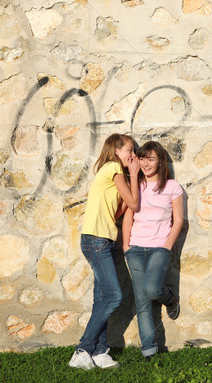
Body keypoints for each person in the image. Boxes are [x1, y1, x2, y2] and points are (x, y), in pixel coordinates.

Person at [69, 134, 140, 370]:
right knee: (113, 296)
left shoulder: (112, 175)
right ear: (116, 150)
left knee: (101, 298)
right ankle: (83, 349)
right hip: (96, 240)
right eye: (129, 150)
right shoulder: (113, 168)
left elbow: (119, 210)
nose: (132, 155)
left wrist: (130, 181)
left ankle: (99, 352)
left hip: (104, 240)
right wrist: (133, 174)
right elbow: (135, 204)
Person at [122, 141, 184, 361]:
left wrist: (167, 246)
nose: (146, 164)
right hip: (136, 248)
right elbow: (128, 216)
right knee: (142, 301)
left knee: (151, 289)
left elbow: (178, 221)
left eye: (151, 159)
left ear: (160, 162)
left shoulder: (172, 187)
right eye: (143, 158)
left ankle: (170, 298)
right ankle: (149, 350)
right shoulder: (135, 185)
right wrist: (126, 246)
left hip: (160, 247)